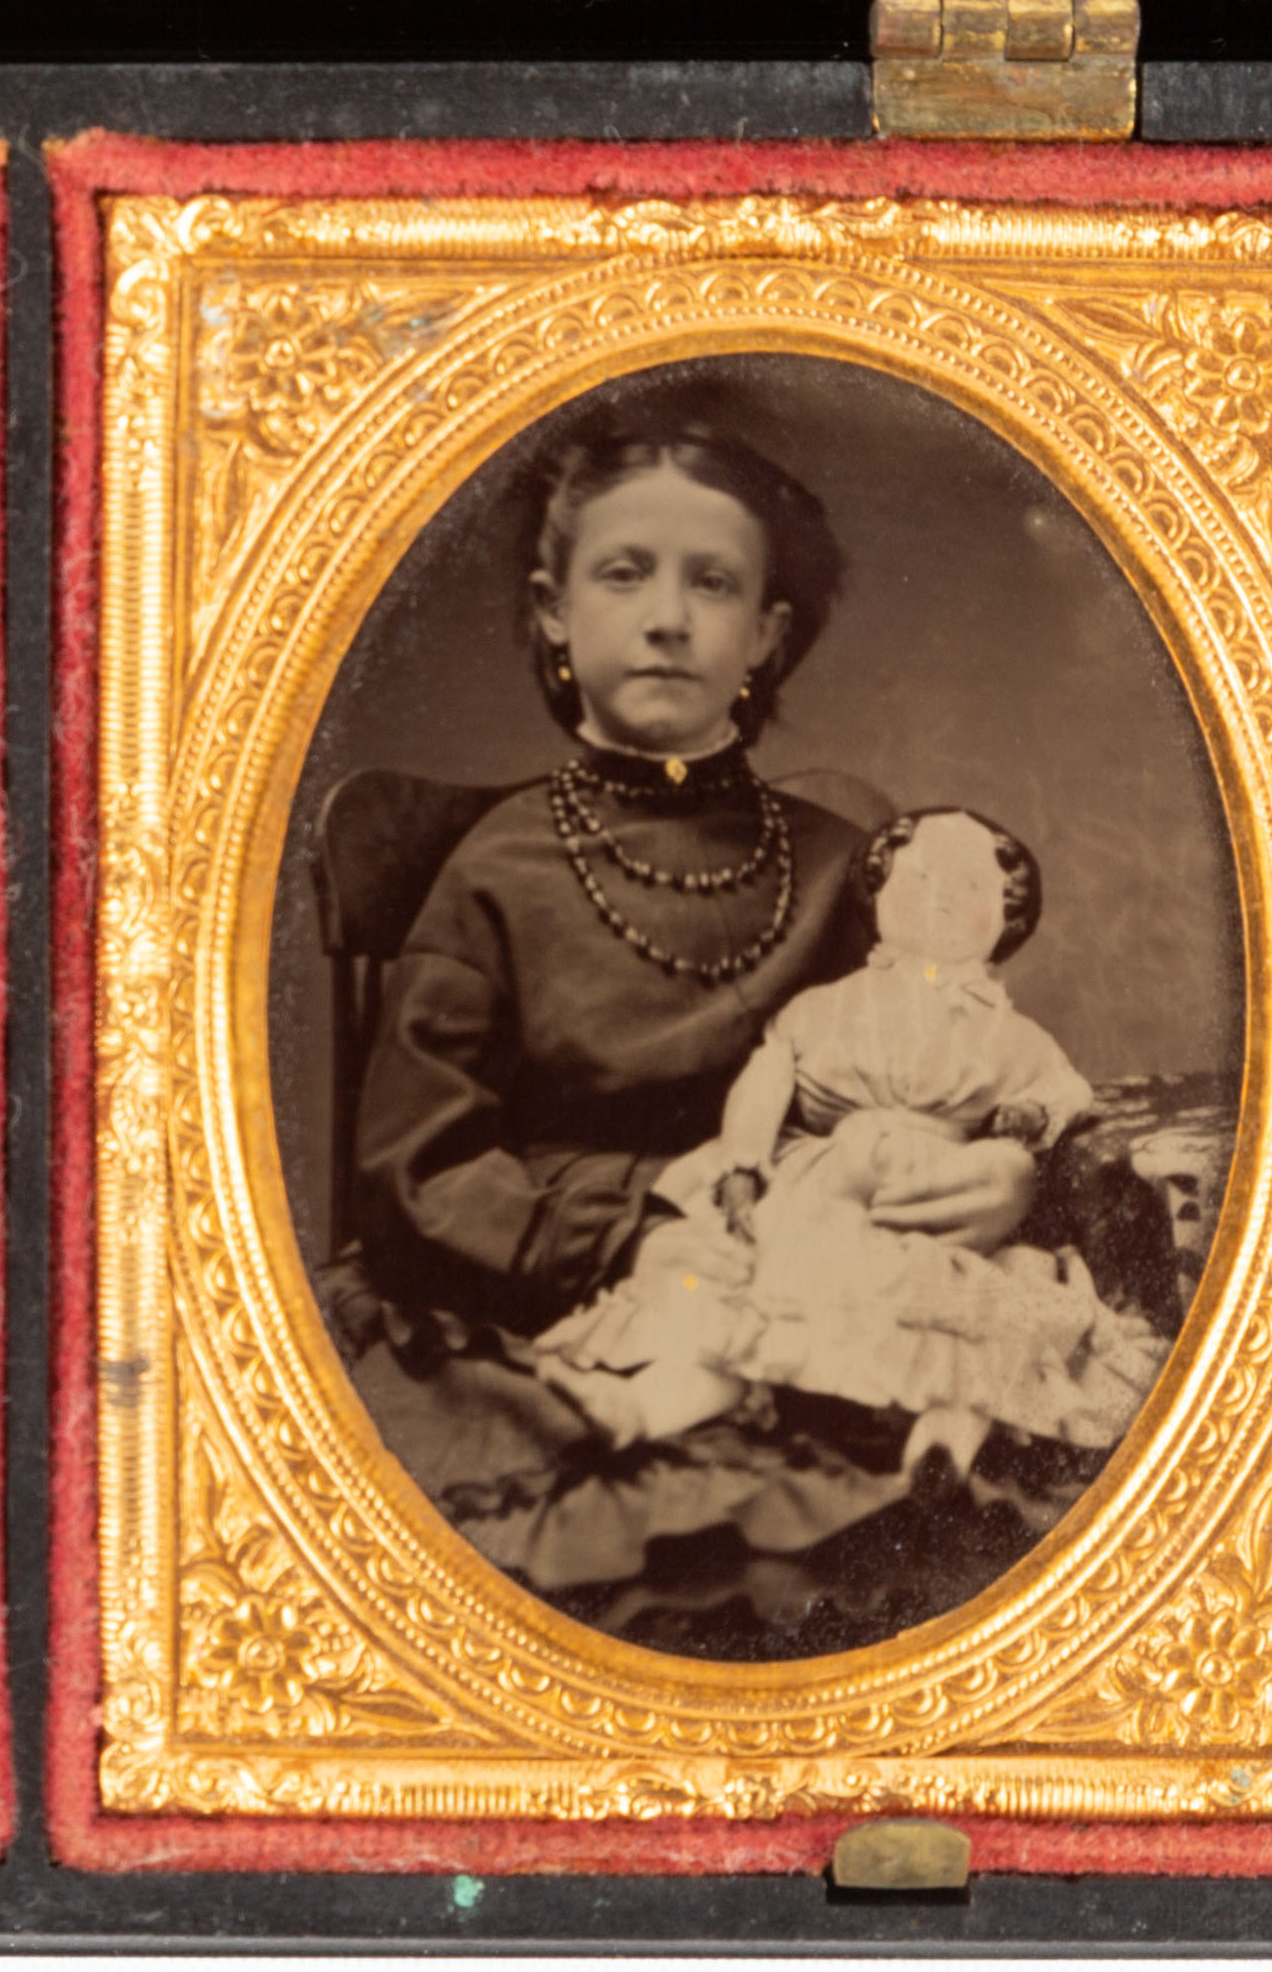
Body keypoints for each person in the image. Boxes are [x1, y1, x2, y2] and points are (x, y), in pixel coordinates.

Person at [336, 413, 1050, 1658]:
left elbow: (950, 1075)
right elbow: (420, 1172)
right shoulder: (494, 870)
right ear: (555, 611)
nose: (669, 617)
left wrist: (1006, 1171)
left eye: (712, 583)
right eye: (625, 574)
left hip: (830, 1282)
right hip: (553, 1288)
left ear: (767, 634)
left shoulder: (849, 869)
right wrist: (642, 1203)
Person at [530, 808, 1164, 1470]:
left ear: (1008, 915)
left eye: (971, 884)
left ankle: (945, 1443)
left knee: (974, 1322)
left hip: (935, 1205)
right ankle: (638, 1408)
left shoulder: (1015, 1036)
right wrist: (744, 1160)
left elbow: (1067, 1088)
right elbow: (765, 1078)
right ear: (878, 893)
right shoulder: (821, 1007)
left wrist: (1029, 1119)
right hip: (823, 1192)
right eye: (918, 876)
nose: (942, 896)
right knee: (754, 1303)